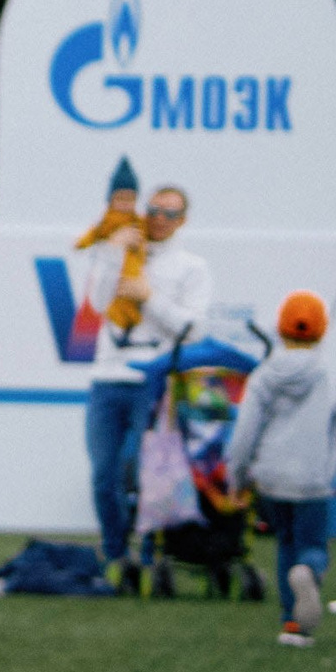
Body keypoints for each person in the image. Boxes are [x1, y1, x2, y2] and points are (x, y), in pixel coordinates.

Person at [83, 184, 211, 590]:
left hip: (154, 377)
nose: (159, 218)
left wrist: (149, 297)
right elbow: (98, 302)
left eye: (170, 213)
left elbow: (192, 329)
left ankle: (151, 552)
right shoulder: (123, 249)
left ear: (183, 221)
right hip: (108, 374)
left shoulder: (191, 267)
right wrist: (110, 251)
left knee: (141, 467)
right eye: (154, 210)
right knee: (104, 473)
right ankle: (116, 552)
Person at [226, 291, 334, 647]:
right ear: (321, 331)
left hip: (271, 478)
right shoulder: (326, 376)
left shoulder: (264, 375)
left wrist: (237, 478)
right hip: (313, 478)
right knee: (312, 545)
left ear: (280, 329)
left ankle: (291, 624)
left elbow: (244, 433)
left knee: (285, 543)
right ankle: (310, 572)